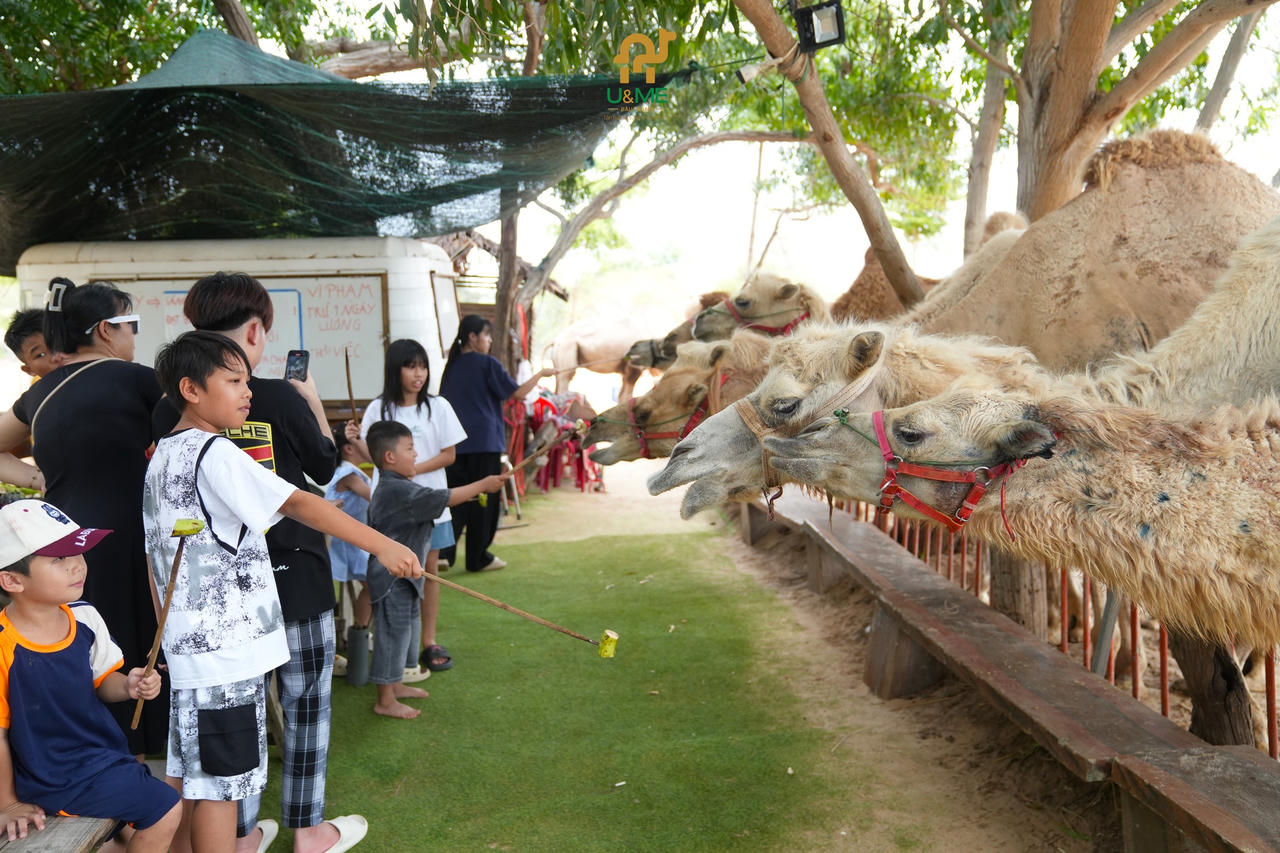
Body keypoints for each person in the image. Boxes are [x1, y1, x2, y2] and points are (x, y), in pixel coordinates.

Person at [145, 331, 421, 852]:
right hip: (226, 658)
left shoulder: (164, 454)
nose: (247, 392)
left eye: (247, 381)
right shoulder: (215, 455)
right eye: (233, 381)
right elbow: (298, 503)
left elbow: (156, 557)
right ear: (190, 389)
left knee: (196, 782)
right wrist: (382, 544)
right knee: (222, 791)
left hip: (189, 653)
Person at [0, 278, 167, 757]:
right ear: (105, 330)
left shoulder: (40, 392)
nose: (134, 335)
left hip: (65, 544)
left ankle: (101, 752)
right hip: (133, 533)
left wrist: (37, 481)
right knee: (139, 640)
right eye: (129, 323)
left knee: (88, 641)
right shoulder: (137, 378)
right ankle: (145, 752)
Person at [0, 499, 180, 850]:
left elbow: (102, 682)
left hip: (101, 758)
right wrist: (7, 803)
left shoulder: (85, 618)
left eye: (77, 552)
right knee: (166, 808)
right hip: (52, 777)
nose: (77, 566)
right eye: (59, 559)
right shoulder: (5, 646)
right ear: (11, 579)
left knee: (136, 821)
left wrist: (128, 684)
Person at [362, 420, 508, 719]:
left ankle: (396, 684)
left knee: (404, 631)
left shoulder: (398, 485)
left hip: (405, 577)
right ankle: (385, 700)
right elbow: (446, 498)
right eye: (410, 448)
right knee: (392, 634)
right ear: (390, 457)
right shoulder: (396, 490)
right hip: (392, 578)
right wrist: (485, 484)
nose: (416, 455)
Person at [353, 339, 465, 673]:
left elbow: (449, 454)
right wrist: (356, 443)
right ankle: (379, 643)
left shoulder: (438, 406)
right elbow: (374, 456)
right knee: (386, 571)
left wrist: (413, 471)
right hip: (389, 510)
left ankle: (427, 642)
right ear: (395, 369)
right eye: (410, 366)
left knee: (427, 573)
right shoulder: (378, 409)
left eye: (423, 366)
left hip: (431, 504)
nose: (419, 374)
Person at [438, 316, 551, 573]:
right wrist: (541, 374)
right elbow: (518, 393)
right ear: (472, 337)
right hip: (484, 443)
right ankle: (478, 557)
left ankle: (445, 552)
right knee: (483, 500)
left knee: (454, 498)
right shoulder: (487, 363)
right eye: (486, 336)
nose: (489, 341)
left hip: (454, 445)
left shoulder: (451, 366)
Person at [324, 425, 372, 671]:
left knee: (371, 585)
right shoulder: (349, 474)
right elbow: (376, 499)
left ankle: (359, 633)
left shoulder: (349, 471)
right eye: (361, 441)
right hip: (345, 543)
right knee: (373, 584)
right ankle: (359, 633)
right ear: (349, 448)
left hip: (351, 540)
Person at [3, 309, 65, 378]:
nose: (57, 357)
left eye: (59, 344)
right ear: (29, 370)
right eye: (41, 354)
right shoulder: (39, 388)